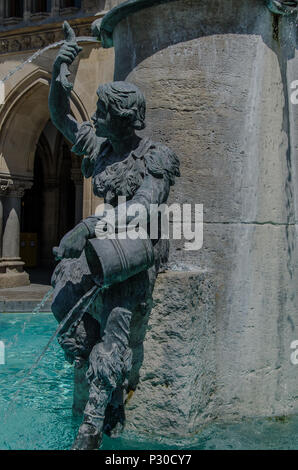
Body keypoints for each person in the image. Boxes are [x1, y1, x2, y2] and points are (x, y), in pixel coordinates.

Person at [48, 23, 180, 449]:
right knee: (65, 290)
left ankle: (91, 429)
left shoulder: (154, 156)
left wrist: (87, 226)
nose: (95, 117)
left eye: (101, 112)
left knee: (118, 320)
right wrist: (60, 71)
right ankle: (104, 377)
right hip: (105, 245)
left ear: (121, 118)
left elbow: (143, 209)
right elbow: (60, 117)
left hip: (139, 250)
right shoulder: (100, 146)